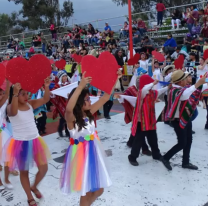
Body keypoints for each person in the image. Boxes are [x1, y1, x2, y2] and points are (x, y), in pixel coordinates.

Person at [60, 70, 121, 206]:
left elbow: (105, 98)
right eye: (86, 99)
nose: (89, 101)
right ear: (79, 102)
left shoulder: (88, 113)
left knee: (99, 189)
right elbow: (69, 109)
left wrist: (114, 79)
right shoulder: (72, 119)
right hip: (81, 157)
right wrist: (80, 87)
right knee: (86, 191)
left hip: (94, 153)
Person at [5, 78, 51, 206]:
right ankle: (30, 197)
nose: (26, 96)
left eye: (27, 93)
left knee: (44, 168)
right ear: (15, 94)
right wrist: (15, 93)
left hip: (36, 140)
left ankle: (34, 186)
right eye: (23, 93)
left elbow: (45, 99)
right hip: (21, 143)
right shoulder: (10, 107)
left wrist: (46, 86)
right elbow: (13, 112)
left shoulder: (30, 104)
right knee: (24, 172)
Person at [159, 70, 208, 171]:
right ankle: (166, 157)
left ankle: (185, 162)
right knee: (182, 143)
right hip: (177, 120)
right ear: (181, 81)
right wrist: (198, 83)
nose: (187, 80)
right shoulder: (176, 91)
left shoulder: (182, 88)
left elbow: (199, 88)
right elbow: (185, 94)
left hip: (185, 118)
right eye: (186, 78)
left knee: (189, 140)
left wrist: (203, 82)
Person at [128, 75, 169, 166]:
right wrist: (153, 83)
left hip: (150, 120)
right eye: (150, 82)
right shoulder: (141, 93)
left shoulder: (152, 92)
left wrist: (167, 87)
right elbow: (145, 89)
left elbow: (159, 91)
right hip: (141, 121)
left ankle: (156, 154)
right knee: (138, 141)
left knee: (153, 139)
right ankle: (132, 157)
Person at [117, 75, 152, 156]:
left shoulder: (144, 89)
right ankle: (145, 149)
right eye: (138, 80)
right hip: (134, 112)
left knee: (137, 129)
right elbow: (124, 97)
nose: (140, 82)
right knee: (141, 131)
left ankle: (130, 142)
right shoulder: (131, 89)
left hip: (143, 112)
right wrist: (121, 97)